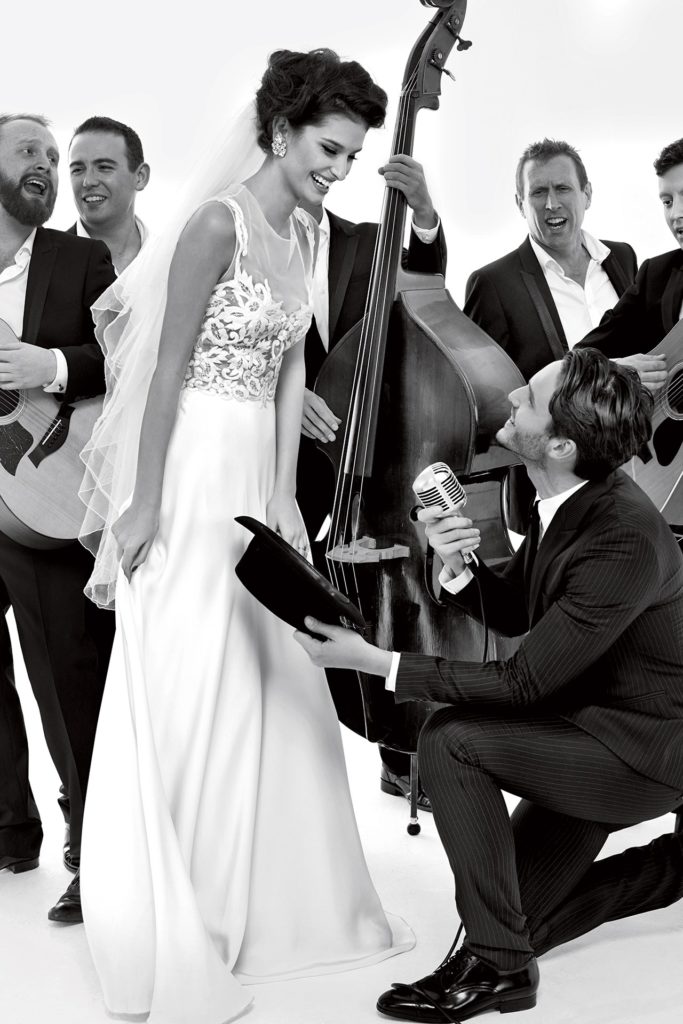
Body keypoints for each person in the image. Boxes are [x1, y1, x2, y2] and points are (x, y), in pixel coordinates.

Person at [78, 49, 414, 1024]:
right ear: (279, 129)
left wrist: (282, 504)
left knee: (264, 681)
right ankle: (174, 917)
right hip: (185, 470)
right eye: (327, 149)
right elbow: (163, 370)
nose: (337, 170)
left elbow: (288, 377)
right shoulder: (213, 223)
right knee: (187, 681)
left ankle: (269, 902)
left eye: (350, 157)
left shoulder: (300, 228)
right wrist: (141, 503)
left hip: (251, 487)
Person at [295, 346, 683, 1022]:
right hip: (586, 725)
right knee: (515, 921)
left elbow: (523, 680)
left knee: (452, 738)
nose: (508, 401)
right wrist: (458, 564)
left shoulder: (624, 537)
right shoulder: (563, 495)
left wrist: (375, 661)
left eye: (527, 400)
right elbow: (522, 611)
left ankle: (500, 974)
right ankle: (660, 877)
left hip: (640, 752)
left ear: (559, 443)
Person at [297, 155, 447, 809]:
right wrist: (286, 397)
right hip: (287, 459)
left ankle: (400, 749)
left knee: (395, 599)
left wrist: (425, 216)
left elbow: (424, 292)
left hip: (372, 460)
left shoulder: (365, 241)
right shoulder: (244, 249)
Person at [0, 114, 115, 920]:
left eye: (52, 154)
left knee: (68, 675)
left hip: (42, 492)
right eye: (28, 152)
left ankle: (98, 845)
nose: (47, 165)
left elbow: (127, 357)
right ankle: (10, 827)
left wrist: (52, 364)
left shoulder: (81, 258)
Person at [464, 139, 637, 381]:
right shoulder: (492, 285)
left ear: (586, 195)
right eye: (538, 192)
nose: (551, 204)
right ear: (520, 204)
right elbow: (485, 392)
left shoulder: (622, 257)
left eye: (562, 188)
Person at [580, 137, 683, 360]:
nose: (676, 214)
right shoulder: (655, 275)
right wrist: (621, 370)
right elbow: (583, 354)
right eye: (667, 201)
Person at [67, 116, 150, 272]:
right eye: (77, 170)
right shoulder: (42, 264)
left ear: (140, 177)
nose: (88, 181)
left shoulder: (172, 257)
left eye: (104, 167)